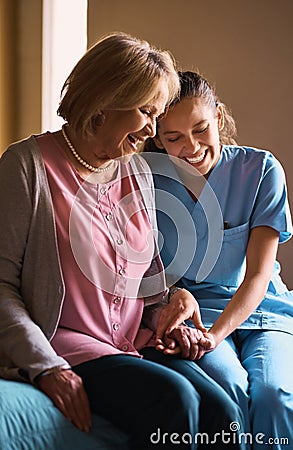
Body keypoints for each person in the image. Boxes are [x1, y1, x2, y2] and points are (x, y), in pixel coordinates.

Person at [0, 36, 246, 450]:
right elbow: (2, 284)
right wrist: (44, 366)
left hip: (131, 342)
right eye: (145, 112)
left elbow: (145, 280)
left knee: (225, 414)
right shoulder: (26, 165)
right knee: (175, 399)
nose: (152, 129)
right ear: (104, 101)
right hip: (68, 343)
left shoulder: (137, 173)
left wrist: (169, 312)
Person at [144, 70, 293, 450]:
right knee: (228, 392)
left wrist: (215, 336)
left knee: (274, 395)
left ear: (220, 119)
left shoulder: (260, 170)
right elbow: (146, 270)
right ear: (159, 140)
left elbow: (258, 275)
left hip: (264, 311)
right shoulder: (147, 183)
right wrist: (192, 323)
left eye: (201, 129)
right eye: (174, 138)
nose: (191, 147)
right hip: (197, 315)